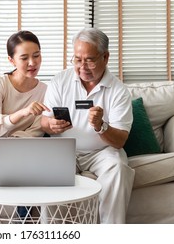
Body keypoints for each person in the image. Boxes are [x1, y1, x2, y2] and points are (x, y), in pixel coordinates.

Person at [41, 27, 135, 224]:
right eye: (77, 59)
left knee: (118, 167)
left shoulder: (119, 90)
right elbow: (43, 121)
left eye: (89, 60)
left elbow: (120, 141)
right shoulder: (60, 81)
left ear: (105, 57)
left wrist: (102, 126)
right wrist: (51, 125)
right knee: (49, 171)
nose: (82, 66)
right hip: (63, 148)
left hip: (102, 152)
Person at [0, 30, 50, 223]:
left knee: (29, 151)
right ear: (11, 60)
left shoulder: (46, 91)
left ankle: (25, 223)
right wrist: (22, 112)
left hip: (24, 145)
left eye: (36, 56)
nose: (32, 63)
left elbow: (37, 131)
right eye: (24, 58)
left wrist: (4, 139)